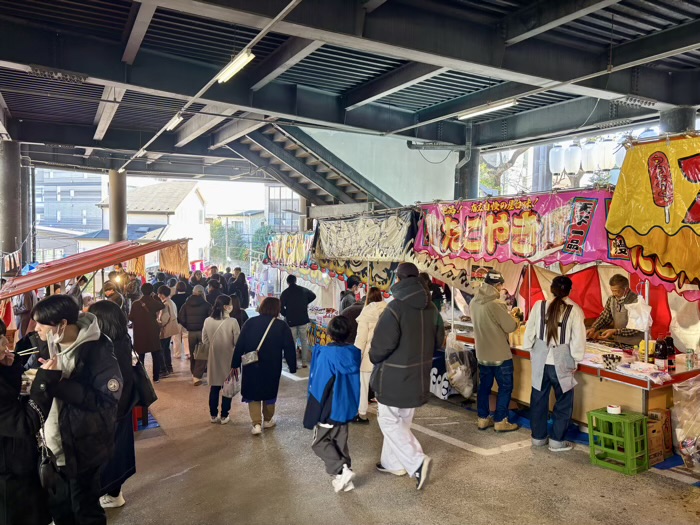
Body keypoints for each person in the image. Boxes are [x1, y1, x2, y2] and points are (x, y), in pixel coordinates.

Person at [31, 295, 122, 525]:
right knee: (61, 511)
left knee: (86, 510)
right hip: (52, 447)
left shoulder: (98, 349)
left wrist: (58, 384)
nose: (36, 329)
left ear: (62, 324)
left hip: (83, 447)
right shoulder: (46, 342)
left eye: (42, 324)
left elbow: (106, 399)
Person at [369, 262, 439, 490]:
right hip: (419, 374)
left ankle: (417, 461)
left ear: (397, 279)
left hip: (394, 375)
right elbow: (439, 342)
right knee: (403, 421)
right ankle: (393, 463)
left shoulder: (394, 308)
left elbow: (381, 346)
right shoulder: (432, 309)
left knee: (388, 421)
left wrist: (374, 357)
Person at [0, 318, 59, 525]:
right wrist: (44, 383)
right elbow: (24, 423)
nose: (5, 343)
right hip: (10, 473)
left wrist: (9, 367)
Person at [524, 276, 586, 452]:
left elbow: (529, 333)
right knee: (564, 401)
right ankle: (557, 441)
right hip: (562, 359)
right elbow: (578, 340)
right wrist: (576, 358)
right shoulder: (575, 310)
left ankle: (538, 438)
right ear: (570, 290)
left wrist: (531, 348)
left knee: (538, 399)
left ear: (551, 289)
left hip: (540, 358)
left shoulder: (539, 306)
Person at [303, 316, 361, 493]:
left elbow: (320, 386)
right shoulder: (354, 352)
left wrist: (311, 415)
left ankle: (341, 470)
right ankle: (344, 478)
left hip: (330, 408)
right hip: (347, 407)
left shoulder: (326, 354)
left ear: (329, 332)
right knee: (340, 442)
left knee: (319, 443)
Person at [87, 300, 136, 509]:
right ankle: (114, 492)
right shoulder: (122, 339)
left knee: (107, 455)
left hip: (112, 409)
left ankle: (110, 494)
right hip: (122, 406)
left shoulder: (106, 347)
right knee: (116, 452)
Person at [232, 297, 296, 435]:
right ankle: (267, 420)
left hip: (251, 364)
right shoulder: (281, 325)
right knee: (269, 392)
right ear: (277, 309)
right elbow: (289, 347)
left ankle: (256, 424)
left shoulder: (250, 323)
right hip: (272, 365)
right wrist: (292, 366)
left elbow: (240, 345)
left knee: (253, 393)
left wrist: (235, 363)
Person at [470, 271, 519, 432]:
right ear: (498, 285)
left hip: (482, 354)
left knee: (484, 387)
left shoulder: (474, 302)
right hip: (500, 355)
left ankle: (483, 419)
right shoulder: (496, 304)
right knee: (505, 387)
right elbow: (510, 327)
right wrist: (515, 318)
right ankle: (500, 420)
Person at [203, 296, 241, 425]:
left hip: (213, 358)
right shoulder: (233, 322)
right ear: (226, 307)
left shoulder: (207, 321)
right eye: (230, 304)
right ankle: (224, 416)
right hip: (229, 358)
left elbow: (205, 341)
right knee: (227, 388)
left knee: (214, 387)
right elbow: (237, 342)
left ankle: (213, 415)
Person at [353, 287, 386, 424]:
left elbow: (361, 338)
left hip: (368, 355)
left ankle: (362, 413)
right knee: (383, 387)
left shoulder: (366, 312)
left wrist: (356, 355)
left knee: (364, 385)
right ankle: (383, 414)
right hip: (385, 355)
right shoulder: (388, 309)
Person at [586, 274, 643, 345]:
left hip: (635, 344)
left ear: (626, 289)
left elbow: (636, 328)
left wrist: (615, 331)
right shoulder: (612, 299)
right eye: (612, 291)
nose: (614, 293)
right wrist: (594, 328)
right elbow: (605, 317)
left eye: (617, 291)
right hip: (618, 342)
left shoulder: (636, 301)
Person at [129, 283, 166, 383]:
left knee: (140, 356)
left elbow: (130, 317)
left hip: (139, 332)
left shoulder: (136, 304)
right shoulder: (154, 302)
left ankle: (142, 377)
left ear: (141, 291)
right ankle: (156, 377)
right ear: (152, 291)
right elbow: (162, 305)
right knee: (156, 354)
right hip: (152, 331)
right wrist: (155, 296)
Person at [280, 275, 317, 368]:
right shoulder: (303, 290)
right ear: (295, 281)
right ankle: (304, 362)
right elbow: (313, 295)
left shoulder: (285, 293)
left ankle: (294, 363)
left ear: (287, 282)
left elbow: (280, 307)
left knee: (292, 342)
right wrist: (305, 302)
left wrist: (286, 314)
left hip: (291, 320)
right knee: (304, 340)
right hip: (303, 319)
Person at [178, 285, 212, 385]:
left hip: (191, 333)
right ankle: (197, 376)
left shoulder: (186, 304)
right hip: (203, 332)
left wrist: (188, 326)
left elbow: (181, 318)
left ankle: (193, 371)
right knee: (202, 353)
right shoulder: (206, 305)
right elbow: (211, 318)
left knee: (193, 353)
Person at [157, 286, 179, 376]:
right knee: (166, 349)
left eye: (159, 294)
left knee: (162, 349)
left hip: (166, 330)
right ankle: (169, 367)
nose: (158, 295)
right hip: (171, 328)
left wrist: (158, 323)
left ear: (161, 294)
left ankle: (164, 369)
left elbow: (164, 319)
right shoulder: (171, 302)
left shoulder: (165, 304)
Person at [171, 281, 189, 359]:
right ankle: (188, 353)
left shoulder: (173, 297)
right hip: (186, 320)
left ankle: (177, 354)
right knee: (186, 336)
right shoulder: (189, 297)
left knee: (176, 337)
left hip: (177, 320)